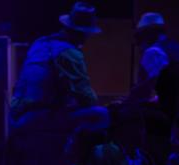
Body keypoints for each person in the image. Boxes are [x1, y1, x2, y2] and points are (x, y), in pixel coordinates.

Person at [9, 2, 108, 135]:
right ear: (81, 32)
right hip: (41, 117)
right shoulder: (69, 53)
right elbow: (86, 97)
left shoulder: (40, 43)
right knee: (101, 115)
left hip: (17, 114)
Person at [128, 12, 179, 121]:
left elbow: (145, 89)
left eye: (138, 38)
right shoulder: (177, 48)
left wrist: (126, 102)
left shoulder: (154, 51)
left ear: (146, 35)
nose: (138, 45)